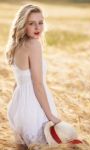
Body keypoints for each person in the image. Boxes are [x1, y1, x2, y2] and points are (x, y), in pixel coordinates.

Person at [5, 4, 61, 150]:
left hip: (18, 106)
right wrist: (51, 117)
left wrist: (16, 107)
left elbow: (18, 82)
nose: (37, 27)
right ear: (23, 25)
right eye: (31, 23)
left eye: (40, 22)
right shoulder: (34, 45)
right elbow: (37, 84)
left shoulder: (16, 45)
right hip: (35, 107)